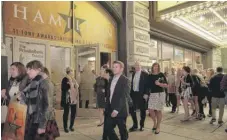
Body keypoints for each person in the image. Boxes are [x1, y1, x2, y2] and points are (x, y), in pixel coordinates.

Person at [19, 60, 49, 140]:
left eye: (30, 69)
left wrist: (42, 125)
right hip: (31, 119)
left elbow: (46, 105)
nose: (27, 72)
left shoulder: (43, 83)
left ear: (38, 70)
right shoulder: (32, 83)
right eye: (27, 69)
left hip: (38, 120)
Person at [105, 61, 131, 140]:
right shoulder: (111, 79)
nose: (114, 68)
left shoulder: (125, 80)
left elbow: (124, 96)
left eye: (116, 67)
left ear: (121, 69)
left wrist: (116, 110)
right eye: (113, 67)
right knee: (108, 129)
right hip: (110, 108)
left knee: (122, 131)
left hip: (120, 110)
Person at [1, 62, 29, 135]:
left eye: (13, 69)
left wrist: (15, 98)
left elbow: (25, 98)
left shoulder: (27, 80)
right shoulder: (12, 80)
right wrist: (5, 95)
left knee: (20, 134)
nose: (10, 71)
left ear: (20, 70)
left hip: (22, 113)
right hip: (12, 111)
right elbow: (10, 97)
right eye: (10, 69)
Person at [146, 63, 168, 134]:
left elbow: (166, 85)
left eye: (157, 66)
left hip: (160, 94)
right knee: (150, 109)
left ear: (159, 67)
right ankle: (154, 122)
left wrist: (159, 84)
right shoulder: (149, 76)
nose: (156, 68)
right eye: (154, 66)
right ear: (152, 67)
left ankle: (158, 126)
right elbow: (147, 86)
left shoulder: (161, 75)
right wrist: (146, 94)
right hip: (152, 94)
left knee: (158, 110)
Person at [129, 61, 148, 132]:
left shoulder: (145, 74)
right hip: (133, 94)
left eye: (138, 65)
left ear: (140, 66)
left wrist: (146, 94)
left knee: (142, 110)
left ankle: (142, 125)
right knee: (131, 109)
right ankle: (135, 125)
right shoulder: (133, 74)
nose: (137, 66)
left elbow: (147, 85)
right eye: (135, 65)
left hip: (142, 94)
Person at [42, 67, 59, 140]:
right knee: (49, 134)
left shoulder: (44, 84)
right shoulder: (51, 83)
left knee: (46, 135)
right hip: (50, 112)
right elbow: (54, 98)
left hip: (46, 113)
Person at [102, 68, 119, 140]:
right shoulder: (107, 81)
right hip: (108, 106)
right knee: (106, 124)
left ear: (108, 73)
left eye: (104, 72)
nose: (102, 74)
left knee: (109, 126)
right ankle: (104, 137)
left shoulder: (112, 81)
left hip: (112, 106)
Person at [61, 67, 79, 133]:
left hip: (73, 98)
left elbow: (77, 86)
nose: (73, 73)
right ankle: (65, 127)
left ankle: (71, 126)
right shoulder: (65, 79)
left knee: (73, 113)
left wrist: (74, 85)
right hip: (67, 98)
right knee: (66, 113)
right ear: (68, 72)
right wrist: (69, 86)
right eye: (72, 72)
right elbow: (63, 88)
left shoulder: (73, 79)